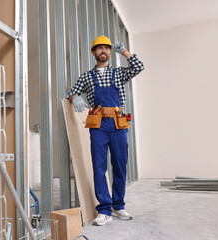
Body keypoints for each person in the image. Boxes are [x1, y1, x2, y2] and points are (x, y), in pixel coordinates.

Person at [67, 35, 144, 226]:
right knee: (99, 167)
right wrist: (74, 97)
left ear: (110, 52)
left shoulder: (119, 73)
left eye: (106, 48)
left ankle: (118, 206)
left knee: (119, 166)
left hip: (119, 124)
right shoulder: (86, 76)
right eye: (99, 48)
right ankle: (104, 209)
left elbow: (139, 67)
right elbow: (71, 92)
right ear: (93, 52)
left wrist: (125, 52)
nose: (103, 51)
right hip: (98, 126)